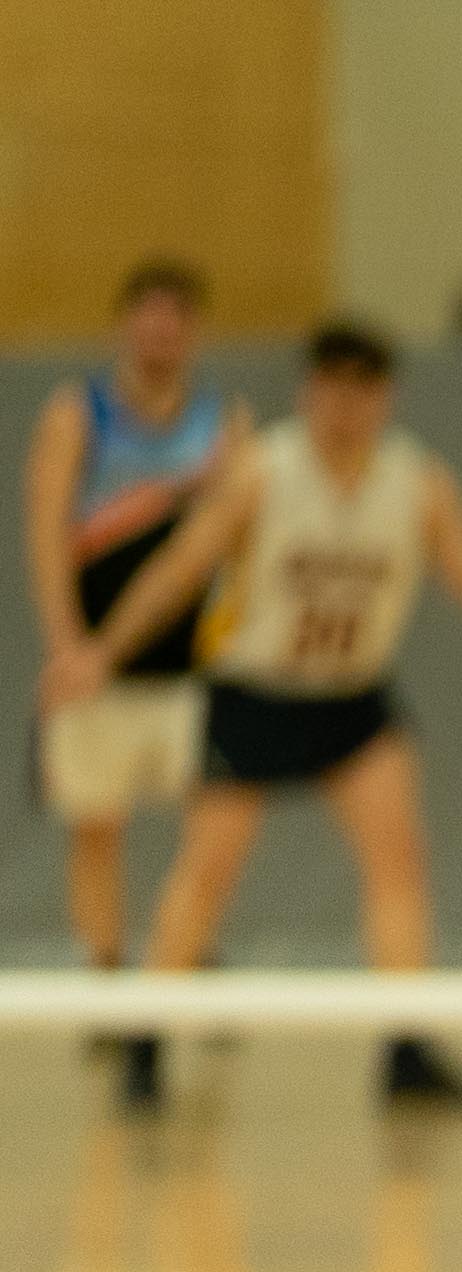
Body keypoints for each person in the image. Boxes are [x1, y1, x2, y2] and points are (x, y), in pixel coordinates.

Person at [44, 321, 462, 1109]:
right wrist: (102, 651)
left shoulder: (416, 480)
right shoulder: (264, 469)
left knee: (400, 860)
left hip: (353, 699)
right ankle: (146, 1041)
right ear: (308, 391)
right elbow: (180, 567)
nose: (344, 406)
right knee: (207, 870)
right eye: (330, 387)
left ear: (384, 397)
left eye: (362, 389)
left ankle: (405, 1047)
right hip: (256, 692)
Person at [23, 259, 247, 1100]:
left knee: (212, 824)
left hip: (191, 663)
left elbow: (231, 539)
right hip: (93, 668)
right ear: (125, 326)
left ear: (193, 331)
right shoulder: (80, 413)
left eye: (175, 320)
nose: (160, 334)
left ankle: (185, 958)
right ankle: (110, 981)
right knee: (97, 826)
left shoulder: (222, 422)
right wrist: (67, 646)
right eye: (146, 318)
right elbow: (47, 525)